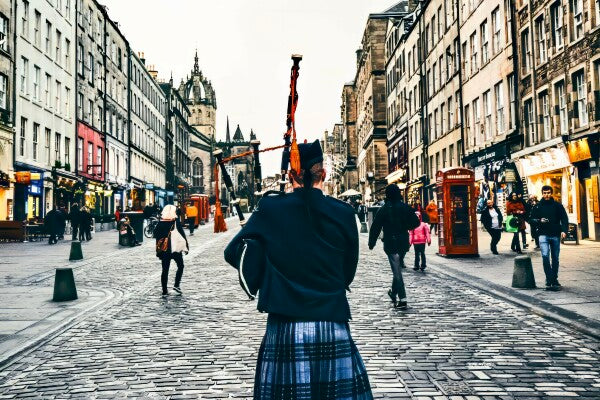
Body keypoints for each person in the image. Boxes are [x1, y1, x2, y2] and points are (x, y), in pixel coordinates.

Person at [224, 140, 372, 398]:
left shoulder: (271, 208)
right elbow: (348, 271)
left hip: (285, 327)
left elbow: (233, 253)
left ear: (290, 175)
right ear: (322, 174)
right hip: (332, 323)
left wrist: (263, 257)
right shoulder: (344, 212)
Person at [369, 184, 420, 309]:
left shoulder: (384, 209)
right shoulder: (405, 207)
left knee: (397, 271)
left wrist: (372, 242)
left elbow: (376, 227)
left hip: (391, 243)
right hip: (403, 242)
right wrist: (405, 227)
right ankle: (393, 293)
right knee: (397, 268)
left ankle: (403, 299)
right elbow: (416, 222)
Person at [529, 186, 568, 290]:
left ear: (551, 193)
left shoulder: (557, 206)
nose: (547, 195)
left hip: (555, 234)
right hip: (543, 234)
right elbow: (531, 220)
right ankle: (549, 278)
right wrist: (539, 220)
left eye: (548, 193)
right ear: (542, 193)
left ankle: (554, 279)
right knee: (545, 256)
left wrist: (564, 230)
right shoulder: (537, 206)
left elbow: (564, 218)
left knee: (555, 258)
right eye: (545, 193)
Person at [154, 204, 188, 296]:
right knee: (180, 266)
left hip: (164, 250)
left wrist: (158, 251)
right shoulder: (175, 221)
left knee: (165, 270)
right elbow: (182, 234)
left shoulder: (161, 222)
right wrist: (186, 247)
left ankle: (164, 290)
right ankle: (176, 285)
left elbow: (155, 235)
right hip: (175, 249)